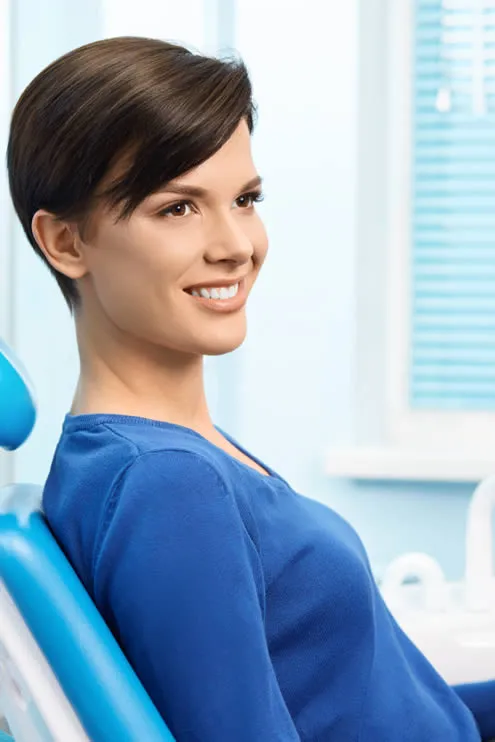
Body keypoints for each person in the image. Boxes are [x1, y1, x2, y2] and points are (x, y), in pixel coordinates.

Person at [6, 35, 495, 742]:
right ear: (65, 243)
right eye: (177, 208)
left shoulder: (166, 456)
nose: (236, 244)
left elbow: (378, 708)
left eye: (244, 198)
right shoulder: (166, 485)